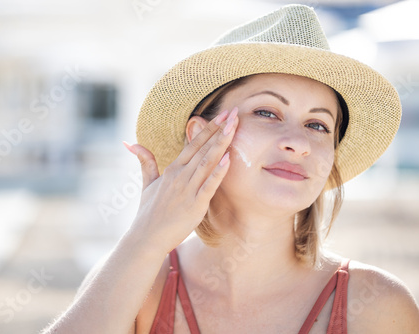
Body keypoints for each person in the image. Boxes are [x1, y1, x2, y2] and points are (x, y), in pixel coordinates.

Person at [43, 4, 419, 333]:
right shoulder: (137, 288)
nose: (299, 142)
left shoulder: (378, 307)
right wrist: (145, 237)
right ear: (201, 136)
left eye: (318, 125)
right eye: (267, 112)